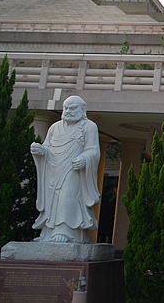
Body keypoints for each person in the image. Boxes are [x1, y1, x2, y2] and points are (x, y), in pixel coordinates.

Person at [30, 96, 100, 243]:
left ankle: (66, 230)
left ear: (83, 109)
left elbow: (93, 151)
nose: (68, 111)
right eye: (66, 107)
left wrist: (84, 158)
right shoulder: (55, 127)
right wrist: (41, 150)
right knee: (53, 199)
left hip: (73, 169)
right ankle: (48, 233)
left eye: (72, 108)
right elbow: (48, 147)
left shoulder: (88, 126)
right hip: (53, 169)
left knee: (68, 195)